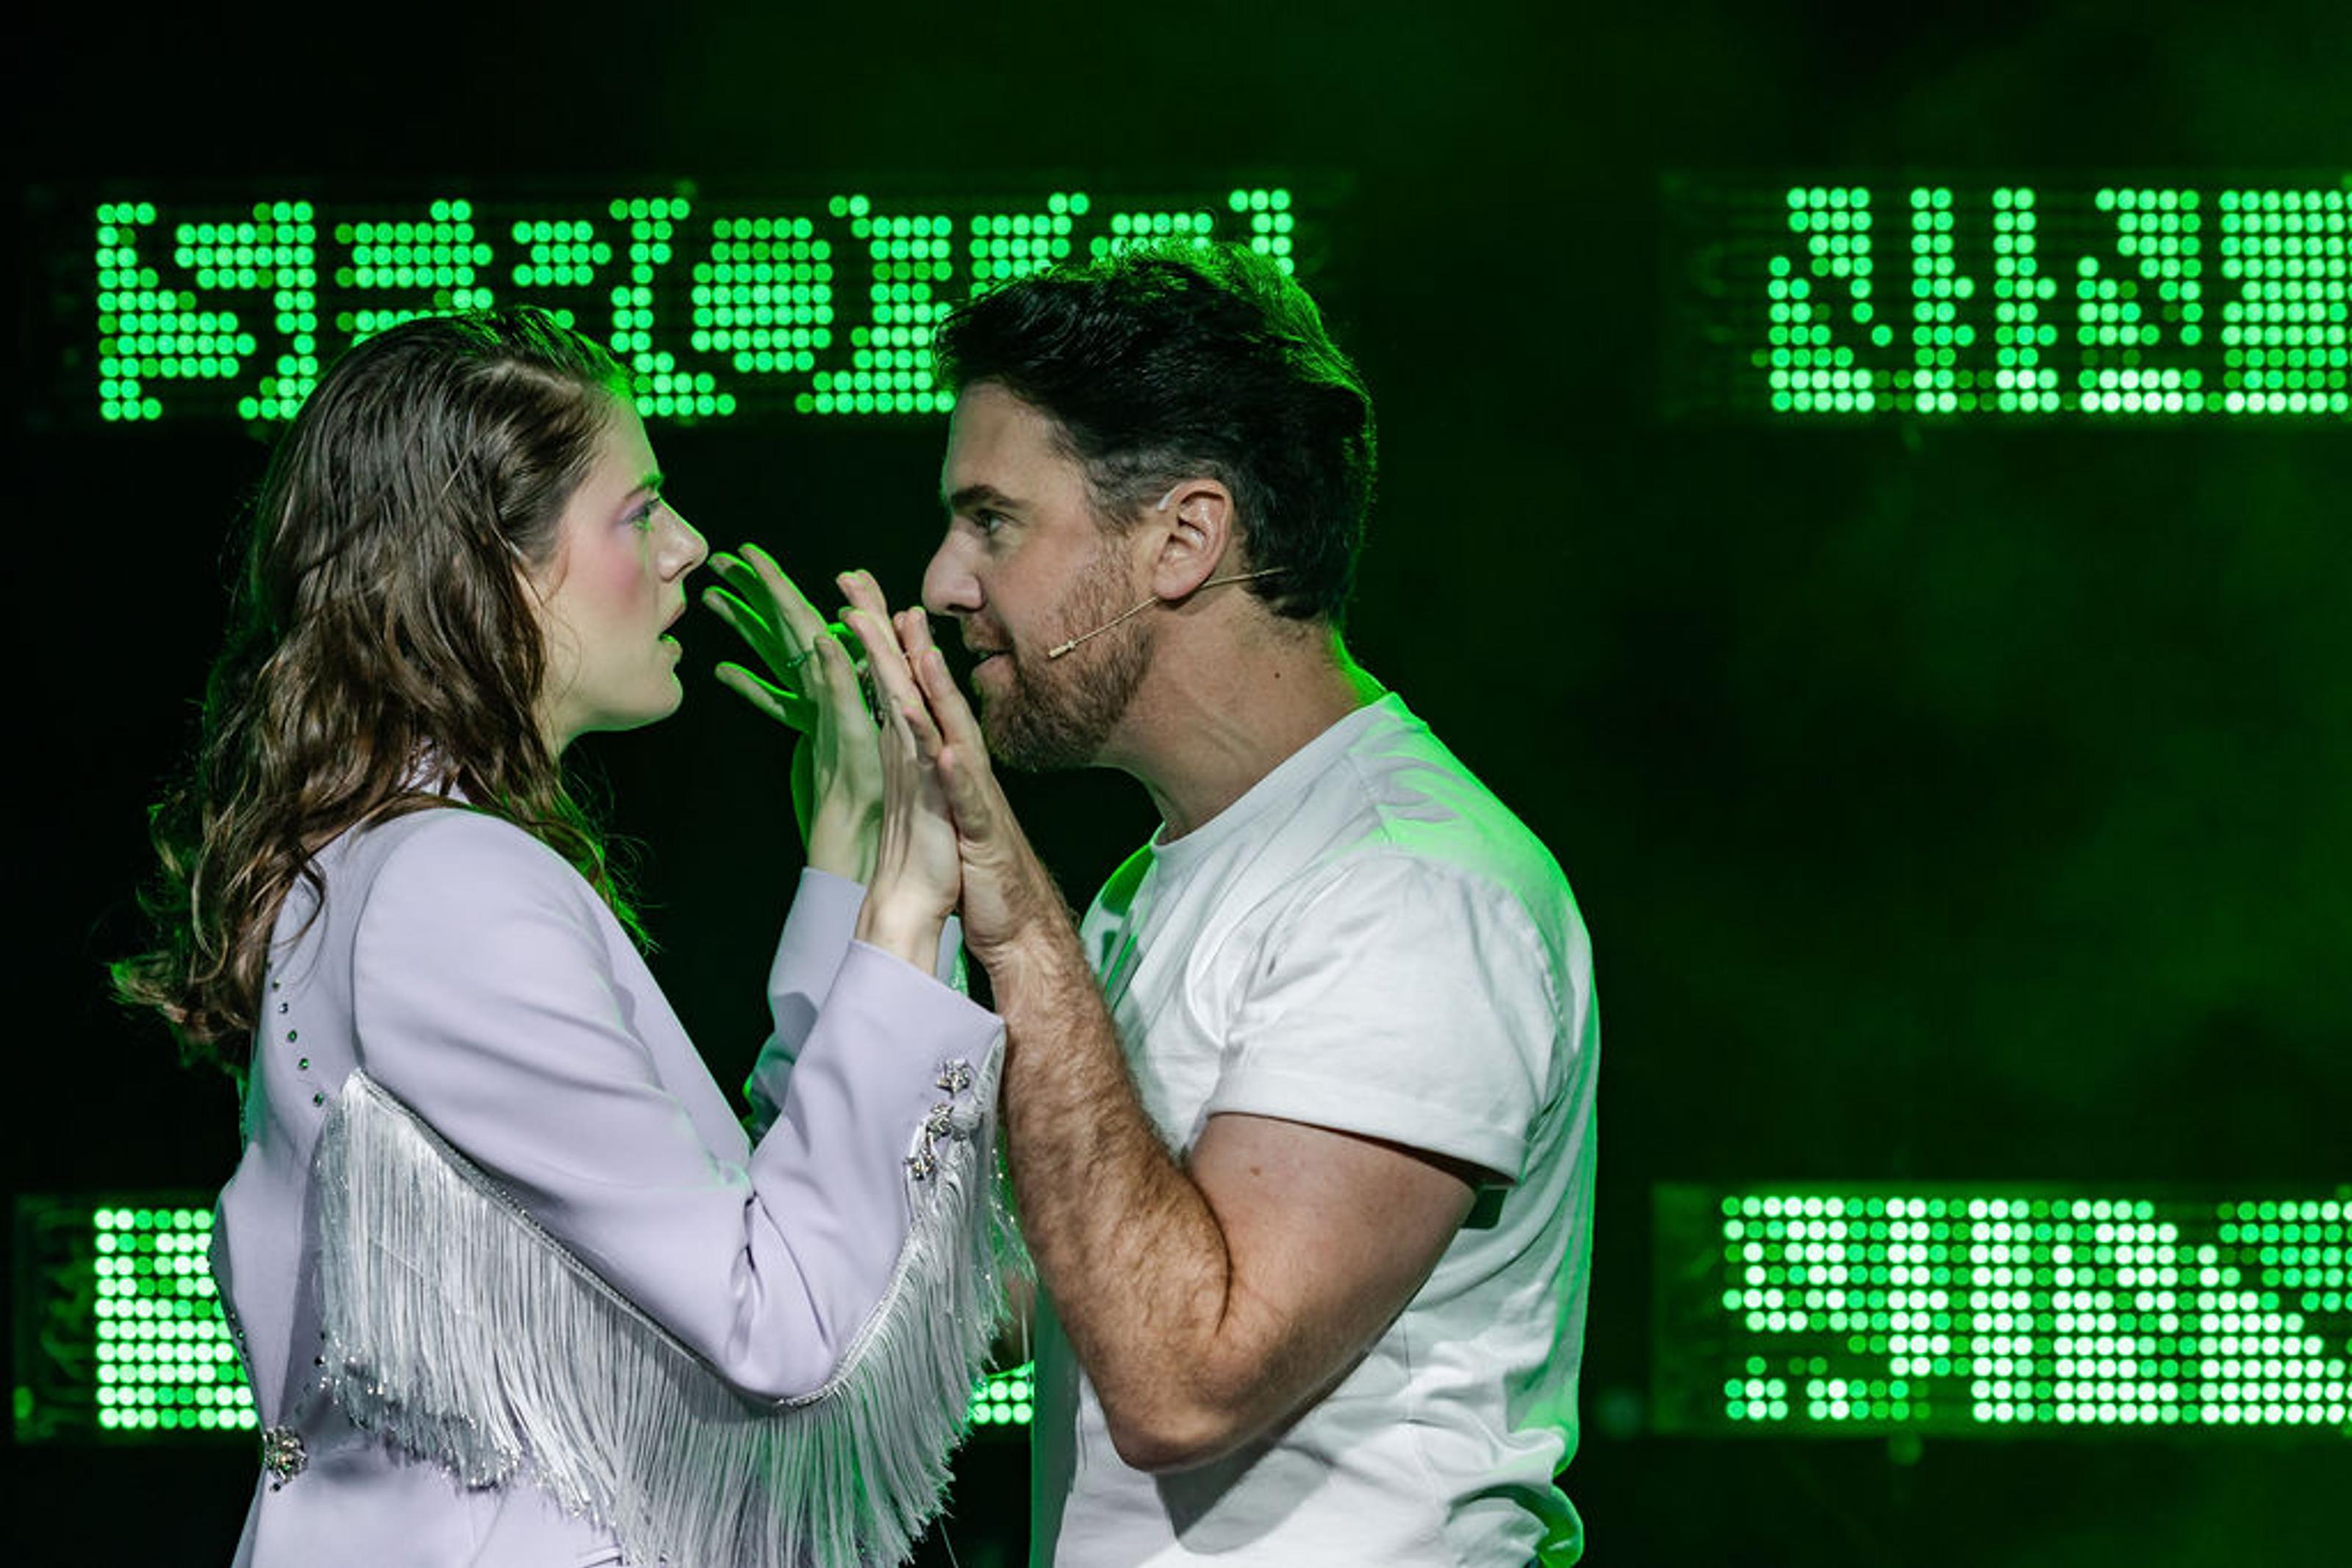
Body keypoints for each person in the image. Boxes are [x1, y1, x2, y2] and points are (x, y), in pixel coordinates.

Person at [114, 307, 1005, 1568]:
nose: (691, 547)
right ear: (495, 566)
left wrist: (847, 866)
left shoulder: (403, 860)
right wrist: (908, 913)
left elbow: (733, 1226)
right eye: (640, 510)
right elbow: (791, 1326)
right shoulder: (450, 886)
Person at [831, 242, 1599, 1564]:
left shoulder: (1412, 887)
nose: (947, 579)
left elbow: (1186, 1377)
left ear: (1184, 537)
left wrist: (1014, 920)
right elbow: (999, 1301)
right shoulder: (1164, 877)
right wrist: (852, 867)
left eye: (994, 519)